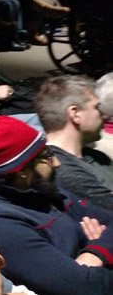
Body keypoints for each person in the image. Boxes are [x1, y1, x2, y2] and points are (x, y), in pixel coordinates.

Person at [0, 116, 113, 295]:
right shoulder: (1, 226)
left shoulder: (42, 189)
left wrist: (95, 252)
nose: (57, 163)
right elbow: (85, 286)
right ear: (22, 171)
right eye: (47, 156)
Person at [36, 76, 113, 210]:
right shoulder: (61, 168)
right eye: (97, 108)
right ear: (75, 114)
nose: (104, 116)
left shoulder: (94, 155)